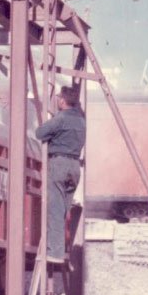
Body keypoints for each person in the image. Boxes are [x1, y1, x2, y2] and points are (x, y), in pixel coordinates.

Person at [34, 86, 85, 261]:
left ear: (62, 100)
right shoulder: (81, 121)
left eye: (58, 98)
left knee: (55, 208)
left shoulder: (60, 118)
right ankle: (63, 248)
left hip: (60, 164)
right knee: (64, 210)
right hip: (75, 167)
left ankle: (54, 252)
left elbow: (40, 133)